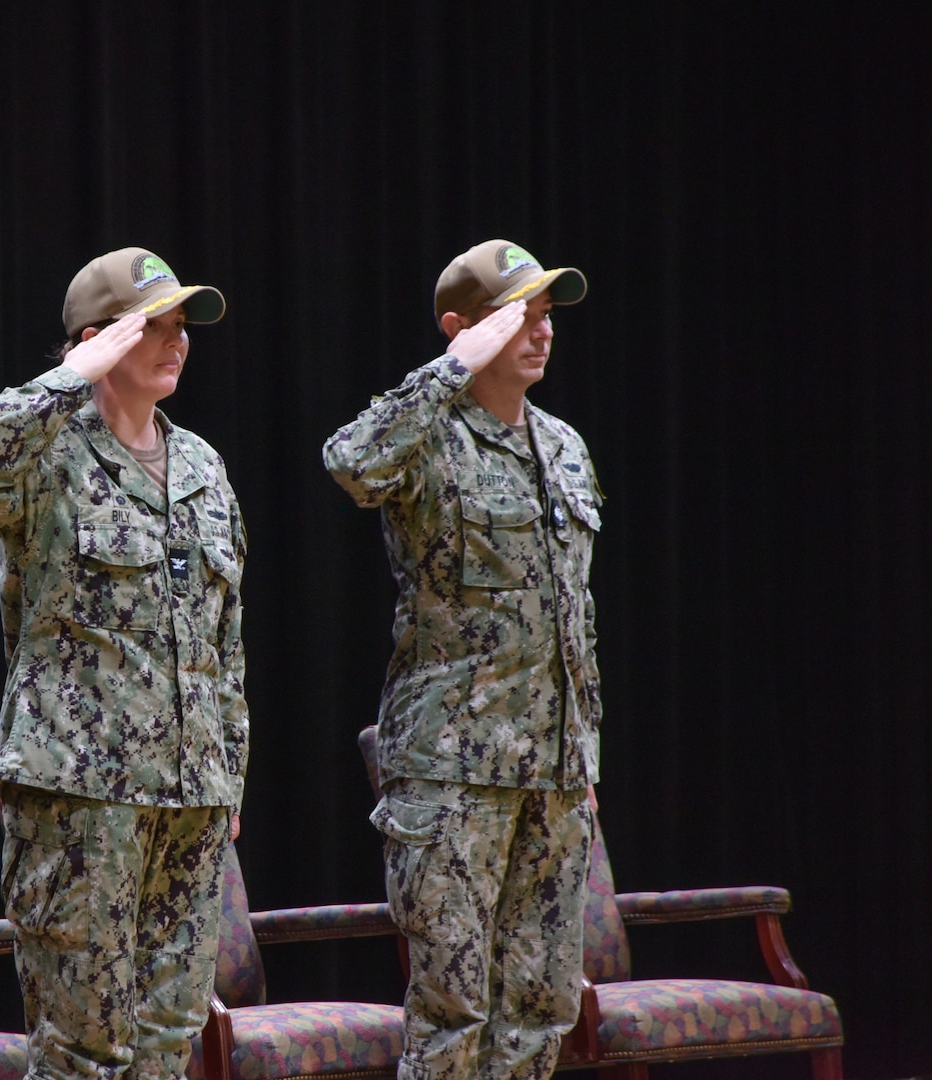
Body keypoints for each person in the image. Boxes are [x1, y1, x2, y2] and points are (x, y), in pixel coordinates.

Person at [0, 247, 248, 1080]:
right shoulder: (44, 455)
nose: (176, 343)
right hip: (81, 801)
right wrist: (74, 376)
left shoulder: (205, 468)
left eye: (182, 327)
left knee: (167, 1047)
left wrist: (229, 777)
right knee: (84, 1055)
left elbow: (226, 643)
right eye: (154, 326)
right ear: (97, 340)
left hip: (192, 800)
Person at [322, 239, 604, 1080]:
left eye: (546, 314)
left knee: (539, 1009)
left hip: (553, 771)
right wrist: (450, 369)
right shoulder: (425, 438)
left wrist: (583, 752)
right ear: (460, 329)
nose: (540, 331)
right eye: (517, 314)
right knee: (454, 1016)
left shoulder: (563, 447)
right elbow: (350, 460)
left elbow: (575, 619)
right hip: (452, 770)